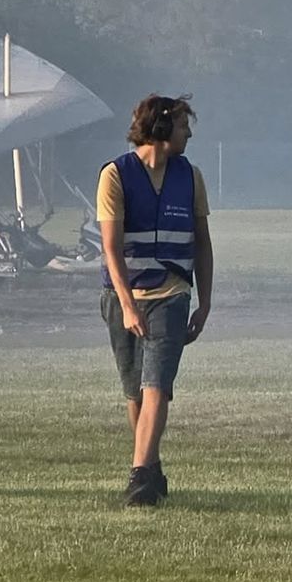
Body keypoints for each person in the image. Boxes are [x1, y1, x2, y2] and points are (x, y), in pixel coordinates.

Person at [98, 94, 214, 507]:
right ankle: (152, 466)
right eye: (183, 126)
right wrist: (128, 306)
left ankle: (140, 478)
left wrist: (204, 302)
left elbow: (202, 243)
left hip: (172, 294)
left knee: (157, 387)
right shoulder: (115, 175)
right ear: (162, 129)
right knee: (135, 392)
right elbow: (111, 249)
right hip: (123, 297)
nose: (189, 134)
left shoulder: (190, 177)